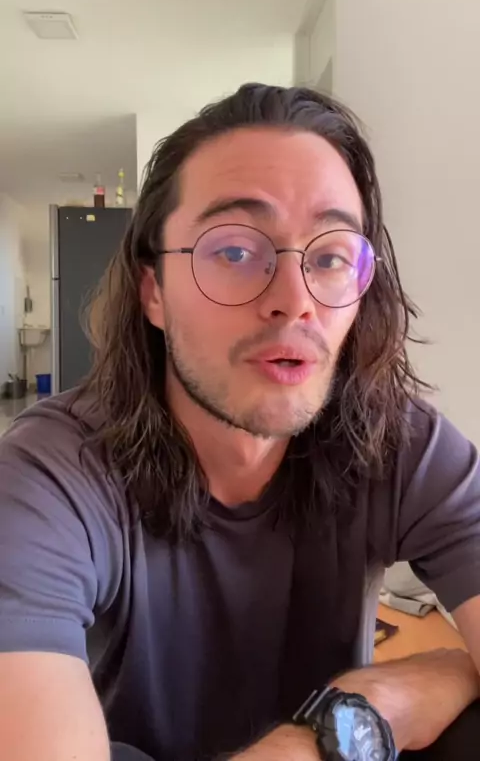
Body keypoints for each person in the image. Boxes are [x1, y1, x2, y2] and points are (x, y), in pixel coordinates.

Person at [0, 83, 479, 761]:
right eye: (233, 251)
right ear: (153, 291)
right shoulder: (48, 476)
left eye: (330, 257)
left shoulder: (397, 442)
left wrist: (430, 684)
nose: (295, 301)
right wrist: (357, 722)